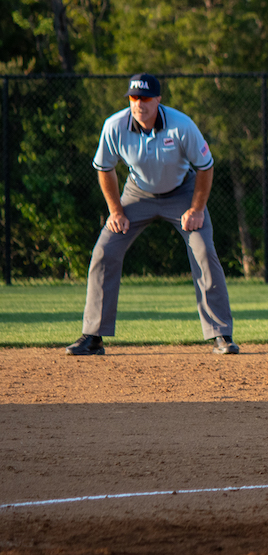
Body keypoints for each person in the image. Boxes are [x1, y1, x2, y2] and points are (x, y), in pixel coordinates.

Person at [64, 73, 239, 357]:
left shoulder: (182, 126)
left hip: (183, 192)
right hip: (138, 193)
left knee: (204, 250)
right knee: (104, 251)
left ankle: (221, 334)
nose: (139, 103)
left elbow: (206, 167)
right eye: (134, 97)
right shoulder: (115, 126)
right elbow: (104, 168)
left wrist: (196, 209)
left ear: (158, 99)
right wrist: (115, 211)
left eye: (145, 98)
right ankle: (93, 336)